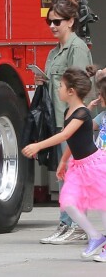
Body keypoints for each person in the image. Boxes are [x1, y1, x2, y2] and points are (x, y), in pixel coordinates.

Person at [22, 67, 106, 262]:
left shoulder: (83, 113)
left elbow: (66, 135)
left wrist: (38, 146)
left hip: (94, 165)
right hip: (79, 166)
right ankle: (95, 236)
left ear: (71, 91)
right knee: (68, 203)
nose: (58, 89)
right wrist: (63, 161)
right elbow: (73, 141)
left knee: (103, 205)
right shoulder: (70, 111)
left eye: (60, 86)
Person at [36, 0, 92, 245]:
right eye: (49, 21)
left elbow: (79, 87)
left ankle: (74, 225)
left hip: (71, 122)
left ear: (71, 21)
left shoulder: (77, 49)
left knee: (72, 175)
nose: (52, 25)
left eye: (57, 21)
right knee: (65, 175)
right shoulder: (54, 52)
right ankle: (68, 224)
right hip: (57, 119)